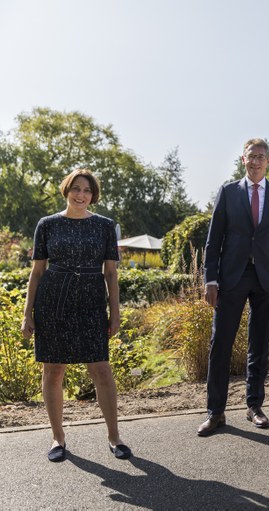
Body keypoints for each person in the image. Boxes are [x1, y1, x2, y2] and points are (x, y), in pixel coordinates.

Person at [21, 168, 131, 462]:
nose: (81, 195)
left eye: (87, 190)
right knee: (53, 370)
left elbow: (110, 273)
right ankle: (58, 438)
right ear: (66, 189)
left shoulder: (105, 226)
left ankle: (114, 437)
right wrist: (27, 313)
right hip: (53, 300)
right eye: (76, 189)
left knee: (101, 370)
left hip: (92, 302)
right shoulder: (47, 225)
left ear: (93, 196)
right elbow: (37, 272)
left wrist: (115, 313)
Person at [198, 138, 269, 437]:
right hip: (232, 277)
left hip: (267, 277)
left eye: (261, 157)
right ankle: (215, 412)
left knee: (260, 344)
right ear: (243, 160)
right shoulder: (229, 192)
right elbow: (214, 240)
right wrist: (210, 280)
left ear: (268, 161)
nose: (255, 162)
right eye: (251, 156)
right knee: (221, 343)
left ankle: (254, 405)